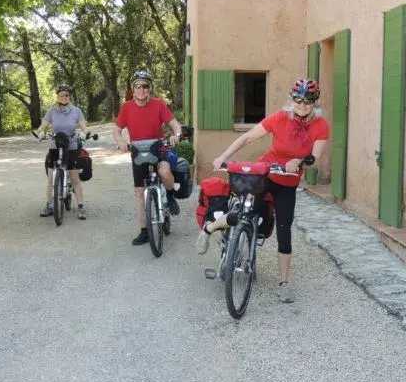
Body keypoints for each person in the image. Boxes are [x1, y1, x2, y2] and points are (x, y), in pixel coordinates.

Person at [200, 78, 329, 303]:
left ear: (315, 102)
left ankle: (284, 283)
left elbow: (315, 158)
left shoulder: (320, 126)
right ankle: (210, 228)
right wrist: (224, 156)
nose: (302, 105)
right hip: (265, 174)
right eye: (298, 100)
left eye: (308, 101)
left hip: (287, 181)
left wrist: (299, 161)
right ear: (292, 100)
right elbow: (248, 136)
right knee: (244, 212)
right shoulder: (280, 118)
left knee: (283, 229)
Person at [113, 70, 184, 245]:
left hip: (159, 147)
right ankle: (144, 230)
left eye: (145, 86)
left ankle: (170, 195)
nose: (141, 90)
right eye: (138, 86)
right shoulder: (127, 107)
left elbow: (174, 123)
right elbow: (116, 129)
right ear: (133, 88)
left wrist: (177, 134)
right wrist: (121, 141)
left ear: (149, 88)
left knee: (165, 172)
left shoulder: (158, 104)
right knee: (139, 192)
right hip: (138, 151)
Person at [33, 84, 90, 220]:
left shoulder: (76, 111)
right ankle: (50, 205)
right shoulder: (51, 111)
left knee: (75, 178)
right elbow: (42, 126)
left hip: (71, 146)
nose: (64, 97)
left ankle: (81, 207)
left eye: (66, 95)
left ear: (69, 97)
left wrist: (84, 133)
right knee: (51, 178)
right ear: (57, 96)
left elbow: (84, 128)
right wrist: (40, 133)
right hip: (55, 146)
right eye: (61, 95)